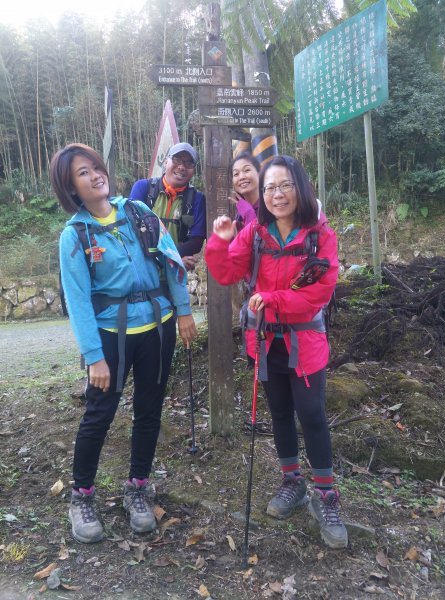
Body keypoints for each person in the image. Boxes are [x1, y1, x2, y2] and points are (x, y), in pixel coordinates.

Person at [50, 143, 197, 544]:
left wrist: (183, 311)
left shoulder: (138, 212)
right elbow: (77, 299)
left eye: (96, 167)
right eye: (83, 173)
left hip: (158, 324)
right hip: (110, 335)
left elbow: (169, 260)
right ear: (71, 187)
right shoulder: (75, 235)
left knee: (149, 411)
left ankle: (138, 487)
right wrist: (93, 356)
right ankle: (81, 495)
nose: (95, 175)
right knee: (99, 415)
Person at [205, 155, 348, 549]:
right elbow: (226, 273)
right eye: (269, 187)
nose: (277, 194)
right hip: (266, 343)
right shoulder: (253, 233)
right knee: (281, 414)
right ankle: (292, 484)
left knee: (313, 415)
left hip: (306, 343)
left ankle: (326, 495)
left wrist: (271, 298)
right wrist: (219, 241)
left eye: (284, 185)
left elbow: (318, 292)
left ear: (299, 187)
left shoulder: (319, 235)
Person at [129, 142, 206, 271]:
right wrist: (170, 258)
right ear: (165, 162)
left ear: (193, 171)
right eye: (176, 159)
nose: (182, 167)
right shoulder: (143, 188)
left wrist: (171, 260)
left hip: (175, 275)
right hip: (143, 270)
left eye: (189, 163)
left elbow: (196, 242)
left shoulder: (197, 199)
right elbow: (131, 230)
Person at [229, 151, 260, 231]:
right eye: (236, 174)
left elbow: (260, 241)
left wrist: (248, 213)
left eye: (247, 170)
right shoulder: (238, 210)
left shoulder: (270, 206)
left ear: (259, 173)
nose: (241, 177)